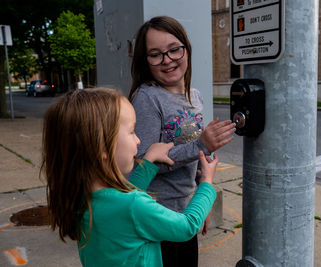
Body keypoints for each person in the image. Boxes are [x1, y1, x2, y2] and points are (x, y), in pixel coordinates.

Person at [42, 88, 219, 267]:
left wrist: (148, 160)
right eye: (132, 131)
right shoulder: (133, 205)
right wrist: (206, 183)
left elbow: (124, 198)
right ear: (101, 147)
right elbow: (186, 226)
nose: (138, 140)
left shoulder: (81, 199)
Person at [129, 16, 236, 267]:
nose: (167, 60)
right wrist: (202, 144)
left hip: (186, 210)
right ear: (146, 61)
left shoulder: (195, 96)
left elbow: (198, 161)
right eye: (155, 54)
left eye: (174, 49)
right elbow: (142, 164)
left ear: (186, 48)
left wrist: (203, 199)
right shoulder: (147, 98)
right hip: (158, 216)